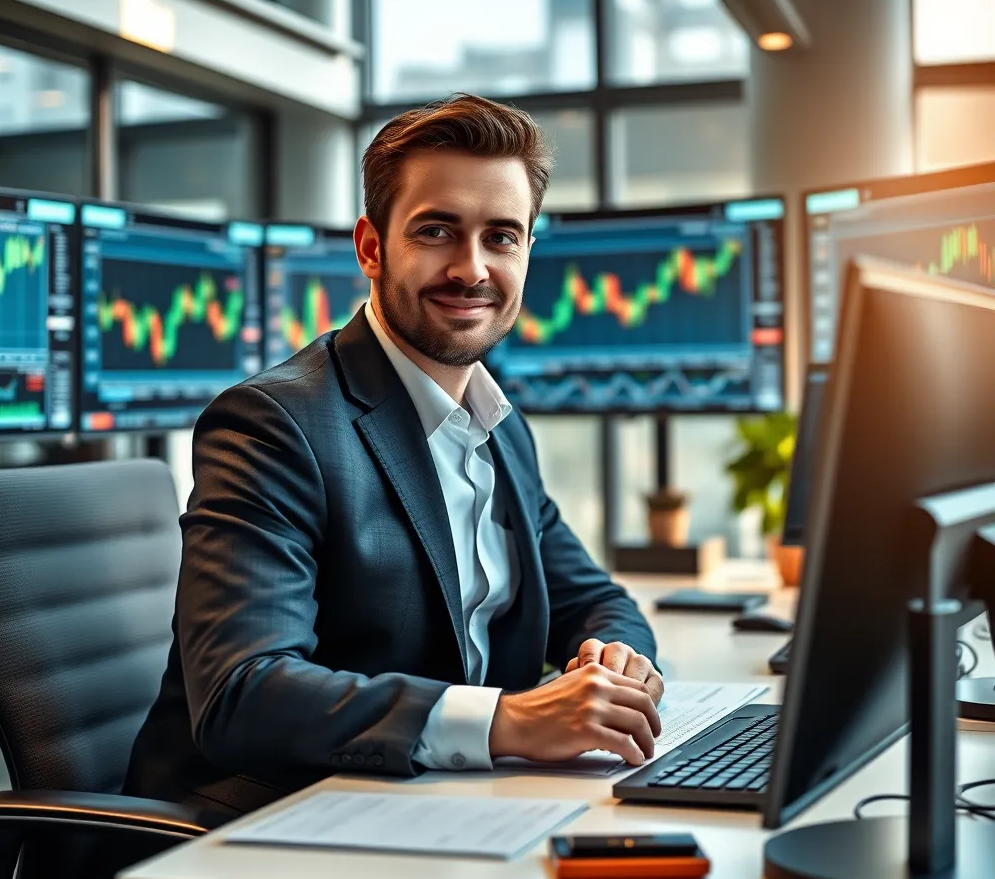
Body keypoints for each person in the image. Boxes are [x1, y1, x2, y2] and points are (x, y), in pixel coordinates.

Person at [125, 94, 662, 817]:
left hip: (441, 804)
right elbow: (241, 692)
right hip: (261, 822)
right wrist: (508, 721)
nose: (472, 269)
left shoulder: (501, 425)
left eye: (502, 237)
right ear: (373, 248)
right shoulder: (275, 424)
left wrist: (617, 663)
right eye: (438, 231)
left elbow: (595, 601)